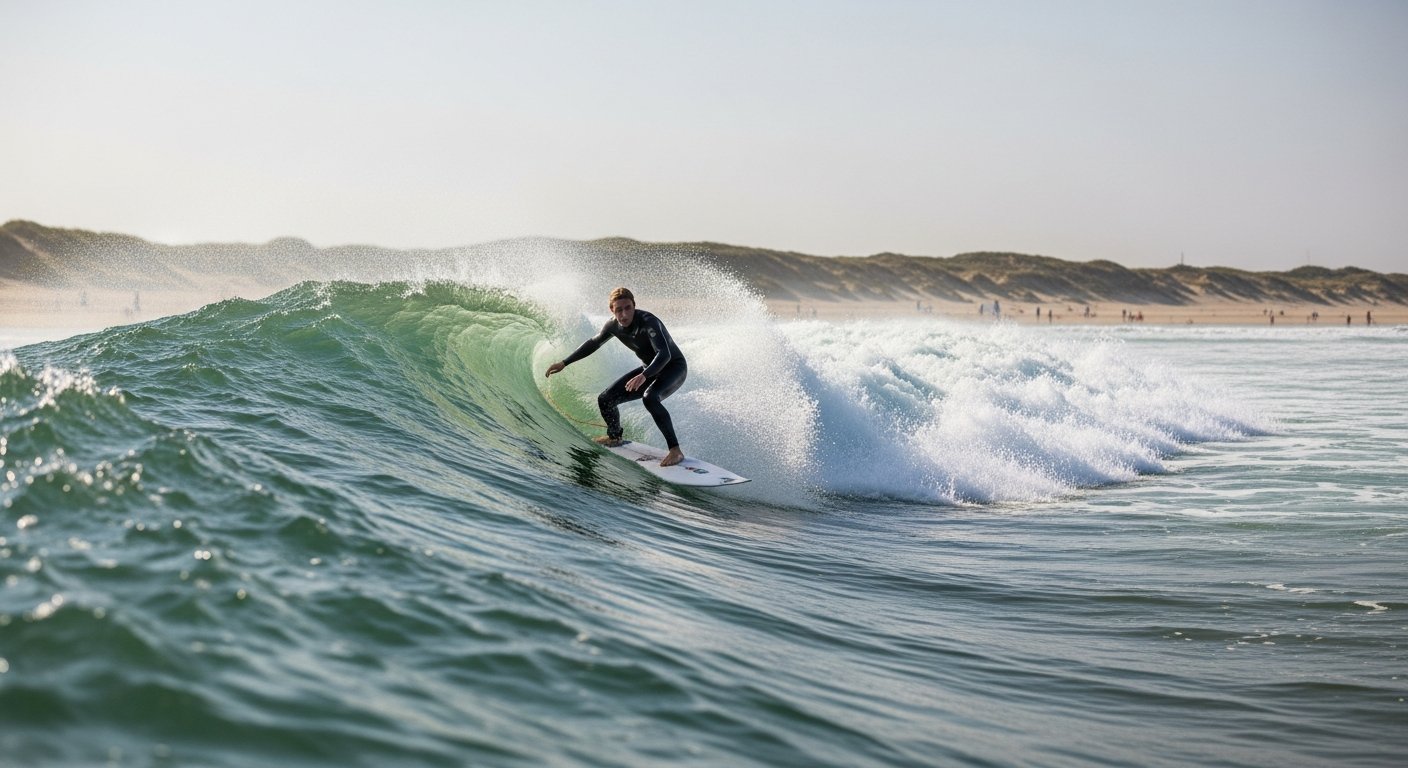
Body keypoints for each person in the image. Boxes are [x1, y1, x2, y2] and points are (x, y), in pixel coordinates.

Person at [545, 287, 688, 467]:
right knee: (606, 399)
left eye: (628, 308)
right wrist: (564, 363)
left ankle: (675, 450)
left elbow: (664, 354)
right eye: (619, 309)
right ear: (612, 310)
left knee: (650, 398)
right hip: (648, 370)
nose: (624, 314)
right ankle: (615, 437)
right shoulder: (613, 325)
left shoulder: (649, 322)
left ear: (634, 306)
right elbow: (593, 343)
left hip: (674, 368)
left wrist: (644, 375)